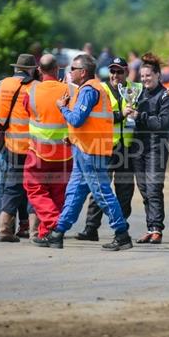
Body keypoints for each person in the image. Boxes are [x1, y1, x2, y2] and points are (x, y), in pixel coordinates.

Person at [34, 53, 133, 251]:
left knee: (102, 193)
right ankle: (57, 233)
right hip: (83, 149)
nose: (70, 72)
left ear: (83, 72)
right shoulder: (87, 89)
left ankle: (122, 234)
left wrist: (62, 108)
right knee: (74, 193)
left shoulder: (89, 90)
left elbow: (77, 118)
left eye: (73, 69)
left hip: (92, 152)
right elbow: (85, 123)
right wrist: (72, 136)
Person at [75, 57, 169, 242]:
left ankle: (120, 229)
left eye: (119, 71)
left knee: (126, 192)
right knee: (100, 188)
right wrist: (120, 115)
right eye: (112, 71)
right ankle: (91, 228)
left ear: (126, 72)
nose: (115, 75)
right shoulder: (101, 89)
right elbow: (95, 116)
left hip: (129, 148)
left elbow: (156, 88)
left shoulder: (136, 88)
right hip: (106, 147)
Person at [23, 54, 74, 242]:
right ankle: (46, 235)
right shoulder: (70, 90)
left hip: (39, 152)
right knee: (58, 192)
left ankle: (53, 224)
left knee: (34, 188)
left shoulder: (32, 92)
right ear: (57, 69)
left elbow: (27, 108)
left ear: (39, 70)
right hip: (65, 152)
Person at [124, 53, 169, 244]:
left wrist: (139, 116)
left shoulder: (165, 96)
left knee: (154, 189)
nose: (145, 79)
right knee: (144, 189)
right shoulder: (138, 93)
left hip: (156, 149)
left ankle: (157, 230)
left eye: (148, 76)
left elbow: (163, 123)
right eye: (142, 76)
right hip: (138, 148)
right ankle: (150, 228)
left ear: (158, 75)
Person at [0, 53, 38, 242]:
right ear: (32, 69)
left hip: (9, 145)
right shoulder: (35, 88)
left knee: (11, 188)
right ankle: (34, 232)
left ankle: (3, 230)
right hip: (33, 147)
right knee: (35, 188)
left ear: (15, 68)